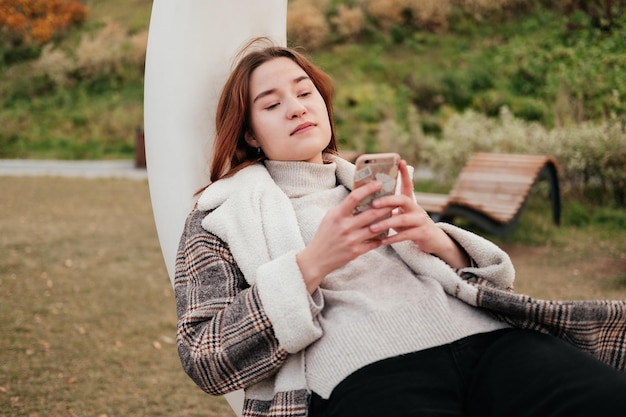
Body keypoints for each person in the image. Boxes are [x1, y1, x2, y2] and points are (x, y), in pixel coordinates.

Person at [173, 38, 626, 417]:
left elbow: (494, 278)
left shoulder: (367, 184)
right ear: (250, 133)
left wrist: (434, 239)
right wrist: (311, 265)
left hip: (487, 340)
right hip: (367, 370)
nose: (296, 109)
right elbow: (205, 356)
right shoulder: (219, 214)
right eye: (272, 104)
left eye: (305, 92)